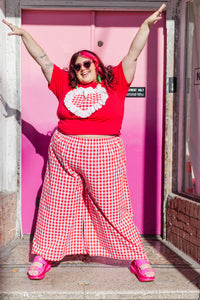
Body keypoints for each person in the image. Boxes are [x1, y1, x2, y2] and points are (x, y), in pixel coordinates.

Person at [3, 3, 166, 282]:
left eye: (87, 63)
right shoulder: (64, 85)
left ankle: (137, 257)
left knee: (115, 207)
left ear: (97, 65)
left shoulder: (116, 84)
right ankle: (44, 256)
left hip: (105, 154)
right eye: (77, 66)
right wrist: (23, 34)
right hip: (65, 152)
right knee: (57, 205)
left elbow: (133, 53)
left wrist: (147, 26)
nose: (81, 68)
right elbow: (42, 59)